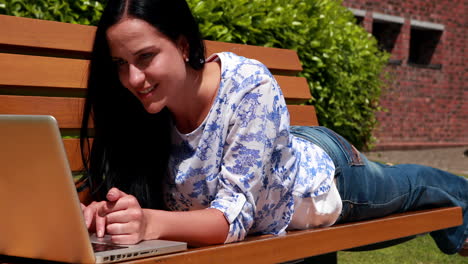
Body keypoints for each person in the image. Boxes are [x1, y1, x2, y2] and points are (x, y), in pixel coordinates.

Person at [79, 0, 468, 255]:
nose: (132, 78)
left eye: (146, 57)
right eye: (119, 64)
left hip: (316, 181)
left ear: (182, 45)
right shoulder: (140, 110)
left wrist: (148, 221)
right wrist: (107, 210)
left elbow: (232, 220)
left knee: (419, 189)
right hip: (269, 158)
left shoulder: (249, 85)